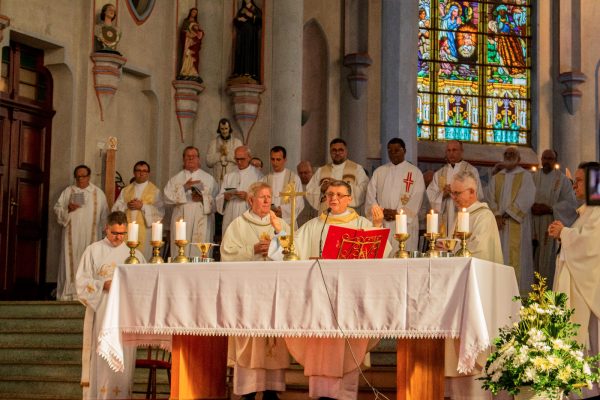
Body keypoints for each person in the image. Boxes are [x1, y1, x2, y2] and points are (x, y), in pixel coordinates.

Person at [272, 180, 391, 400]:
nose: (333, 198)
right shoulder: (314, 225)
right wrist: (280, 233)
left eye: (338, 194)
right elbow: (292, 251)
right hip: (319, 299)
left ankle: (344, 395)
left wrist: (377, 226)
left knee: (346, 350)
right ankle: (320, 394)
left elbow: (379, 255)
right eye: (329, 194)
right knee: (321, 347)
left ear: (349, 199)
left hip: (350, 300)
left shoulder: (361, 224)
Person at [221, 182, 291, 400]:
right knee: (249, 339)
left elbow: (292, 252)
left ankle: (271, 390)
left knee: (273, 338)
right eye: (262, 197)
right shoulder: (238, 225)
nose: (267, 201)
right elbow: (226, 254)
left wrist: (275, 246)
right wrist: (252, 249)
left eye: (269, 197)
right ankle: (248, 390)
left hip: (273, 292)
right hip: (248, 293)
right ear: (250, 200)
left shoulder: (280, 225)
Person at [445, 170, 503, 400]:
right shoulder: (462, 215)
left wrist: (452, 250)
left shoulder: (483, 216)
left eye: (458, 193)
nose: (455, 198)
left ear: (472, 192)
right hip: (459, 291)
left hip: (477, 292)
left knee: (474, 354)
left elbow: (479, 251)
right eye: (452, 193)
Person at [76, 211, 146, 400]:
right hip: (102, 313)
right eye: (114, 233)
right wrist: (102, 285)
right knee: (102, 360)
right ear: (106, 228)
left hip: (126, 316)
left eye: (122, 234)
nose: (118, 238)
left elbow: (144, 285)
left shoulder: (135, 254)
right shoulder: (93, 250)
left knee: (124, 358)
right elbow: (81, 282)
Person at [548, 162, 600, 398]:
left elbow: (591, 246)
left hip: (590, 293)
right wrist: (564, 235)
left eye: (579, 180)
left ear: (593, 183)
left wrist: (565, 233)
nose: (574, 185)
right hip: (581, 289)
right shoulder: (587, 213)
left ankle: (589, 390)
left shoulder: (598, 211)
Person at [484, 146, 535, 293]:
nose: (509, 155)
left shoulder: (525, 176)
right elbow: (489, 197)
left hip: (516, 224)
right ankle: (500, 291)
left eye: (513, 154)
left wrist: (506, 214)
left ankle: (518, 293)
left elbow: (526, 198)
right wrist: (497, 215)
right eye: (507, 154)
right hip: (499, 225)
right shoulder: (497, 177)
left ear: (519, 159)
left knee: (518, 258)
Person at [54, 165, 108, 301]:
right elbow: (57, 209)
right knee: (70, 262)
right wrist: (68, 208)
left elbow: (105, 215)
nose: (80, 179)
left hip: (92, 235)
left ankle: (88, 293)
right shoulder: (68, 192)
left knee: (89, 261)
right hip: (71, 236)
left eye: (83, 176)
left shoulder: (98, 193)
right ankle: (68, 295)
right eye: (78, 176)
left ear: (89, 177)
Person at [365, 138, 425, 252]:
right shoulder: (379, 171)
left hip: (405, 224)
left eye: (397, 150)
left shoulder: (415, 172)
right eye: (390, 151)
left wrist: (397, 213)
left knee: (404, 256)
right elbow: (370, 195)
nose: (393, 154)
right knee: (384, 254)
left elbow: (417, 197)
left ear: (404, 151)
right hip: (383, 222)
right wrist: (379, 212)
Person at [531, 150, 578, 286]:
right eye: (544, 158)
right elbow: (525, 196)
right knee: (533, 258)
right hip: (533, 223)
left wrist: (551, 208)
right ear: (541, 159)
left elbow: (570, 203)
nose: (546, 161)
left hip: (551, 222)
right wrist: (531, 206)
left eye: (550, 159)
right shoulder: (533, 177)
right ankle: (532, 294)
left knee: (548, 260)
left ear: (555, 161)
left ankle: (547, 293)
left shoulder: (562, 180)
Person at [164, 146, 218, 257]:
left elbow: (217, 202)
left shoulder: (209, 179)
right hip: (181, 220)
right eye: (188, 156)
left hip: (202, 219)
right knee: (180, 251)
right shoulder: (175, 179)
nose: (190, 158)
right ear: (183, 159)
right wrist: (184, 187)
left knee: (199, 252)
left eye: (193, 156)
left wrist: (202, 198)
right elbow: (167, 197)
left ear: (199, 159)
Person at [426, 140, 483, 237]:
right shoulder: (439, 173)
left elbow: (478, 194)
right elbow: (429, 196)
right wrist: (443, 194)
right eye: (448, 151)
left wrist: (458, 193)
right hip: (444, 219)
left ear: (461, 151)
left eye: (454, 150)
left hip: (463, 215)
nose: (451, 153)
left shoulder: (471, 170)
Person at [112, 161, 164, 260]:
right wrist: (127, 205)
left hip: (145, 231)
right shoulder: (126, 190)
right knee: (125, 258)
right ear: (134, 172)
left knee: (142, 258)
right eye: (138, 170)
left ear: (148, 173)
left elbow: (160, 211)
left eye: (144, 171)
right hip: (127, 231)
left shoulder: (155, 191)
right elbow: (115, 209)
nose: (141, 173)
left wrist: (143, 206)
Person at [305, 138, 369, 215]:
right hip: (326, 213)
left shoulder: (357, 169)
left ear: (346, 151)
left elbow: (364, 190)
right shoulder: (321, 170)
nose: (337, 153)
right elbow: (309, 191)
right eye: (334, 150)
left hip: (348, 214)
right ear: (330, 152)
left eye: (340, 150)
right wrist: (321, 189)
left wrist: (341, 186)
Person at [217, 145, 264, 235]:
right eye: (237, 159)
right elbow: (219, 198)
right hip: (230, 216)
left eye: (242, 159)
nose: (239, 162)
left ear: (249, 157)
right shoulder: (229, 175)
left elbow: (262, 200)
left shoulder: (258, 176)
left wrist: (247, 197)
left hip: (248, 216)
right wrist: (225, 198)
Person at [261, 146, 304, 227]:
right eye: (272, 159)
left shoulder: (294, 179)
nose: (275, 162)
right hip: (269, 221)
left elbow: (299, 202)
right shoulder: (264, 180)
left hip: (287, 223)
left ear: (285, 160)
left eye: (278, 159)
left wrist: (282, 211)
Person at [232, 0, 263, 83]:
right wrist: (239, 19)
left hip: (251, 33)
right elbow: (235, 21)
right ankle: (240, 72)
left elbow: (260, 19)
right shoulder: (241, 10)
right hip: (242, 34)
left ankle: (250, 72)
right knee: (241, 51)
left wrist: (251, 15)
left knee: (250, 51)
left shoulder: (255, 9)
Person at [206, 118, 244, 185]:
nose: (224, 131)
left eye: (226, 128)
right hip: (218, 179)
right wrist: (220, 156)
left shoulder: (237, 142)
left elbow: (242, 161)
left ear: (229, 128)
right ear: (219, 129)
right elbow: (208, 162)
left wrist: (228, 155)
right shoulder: (213, 143)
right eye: (222, 129)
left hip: (233, 179)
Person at [177, 7, 204, 81]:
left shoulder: (196, 23)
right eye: (193, 12)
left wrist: (199, 34)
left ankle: (192, 72)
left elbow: (198, 32)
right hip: (187, 41)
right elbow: (183, 31)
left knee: (193, 57)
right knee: (187, 55)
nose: (194, 14)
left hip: (194, 42)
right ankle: (185, 71)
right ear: (190, 12)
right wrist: (187, 34)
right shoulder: (186, 21)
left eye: (195, 13)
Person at [296, 160, 318, 227]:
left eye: (306, 173)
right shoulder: (294, 188)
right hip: (298, 226)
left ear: (312, 172)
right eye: (301, 173)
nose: (303, 175)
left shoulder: (319, 188)